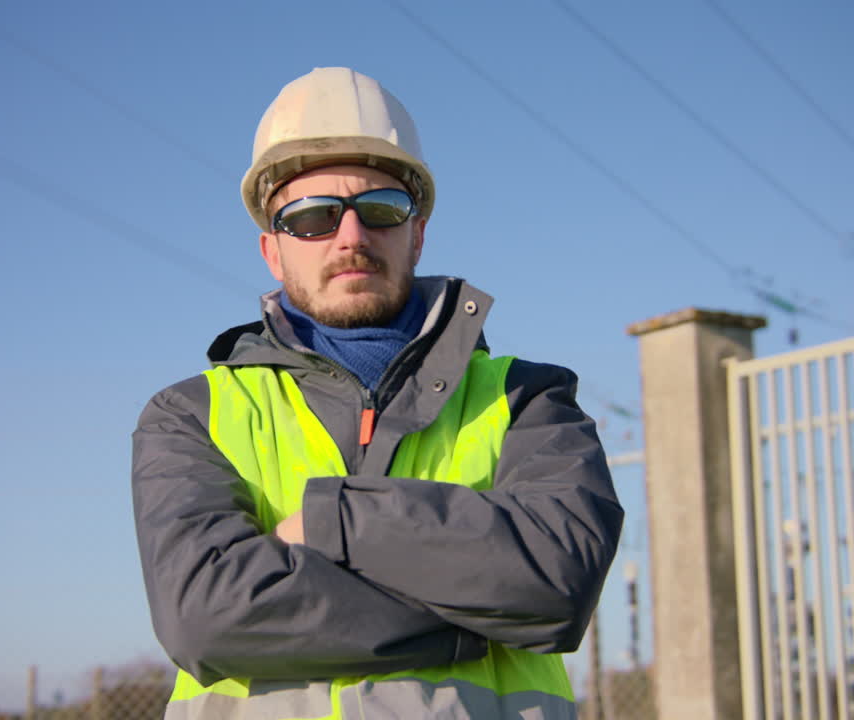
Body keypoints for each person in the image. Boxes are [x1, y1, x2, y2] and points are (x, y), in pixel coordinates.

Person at [132, 67, 623, 720]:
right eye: (311, 217)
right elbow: (205, 615)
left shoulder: (528, 399)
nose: (351, 237)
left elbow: (558, 582)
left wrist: (332, 520)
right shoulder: (190, 415)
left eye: (382, 210)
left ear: (418, 233)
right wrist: (473, 619)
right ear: (271, 251)